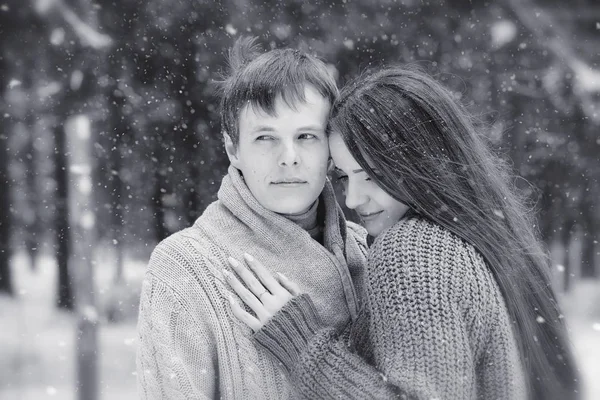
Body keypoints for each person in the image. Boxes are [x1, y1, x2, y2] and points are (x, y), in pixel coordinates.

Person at [226, 66, 581, 399]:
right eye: (345, 177)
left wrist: (305, 347)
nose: (352, 198)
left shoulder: (413, 250)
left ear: (419, 164)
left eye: (371, 174)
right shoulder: (474, 242)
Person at [135, 37, 368, 399]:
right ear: (233, 149)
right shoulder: (184, 268)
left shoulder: (368, 249)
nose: (288, 157)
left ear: (332, 148)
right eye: (265, 138)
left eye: (306, 136)